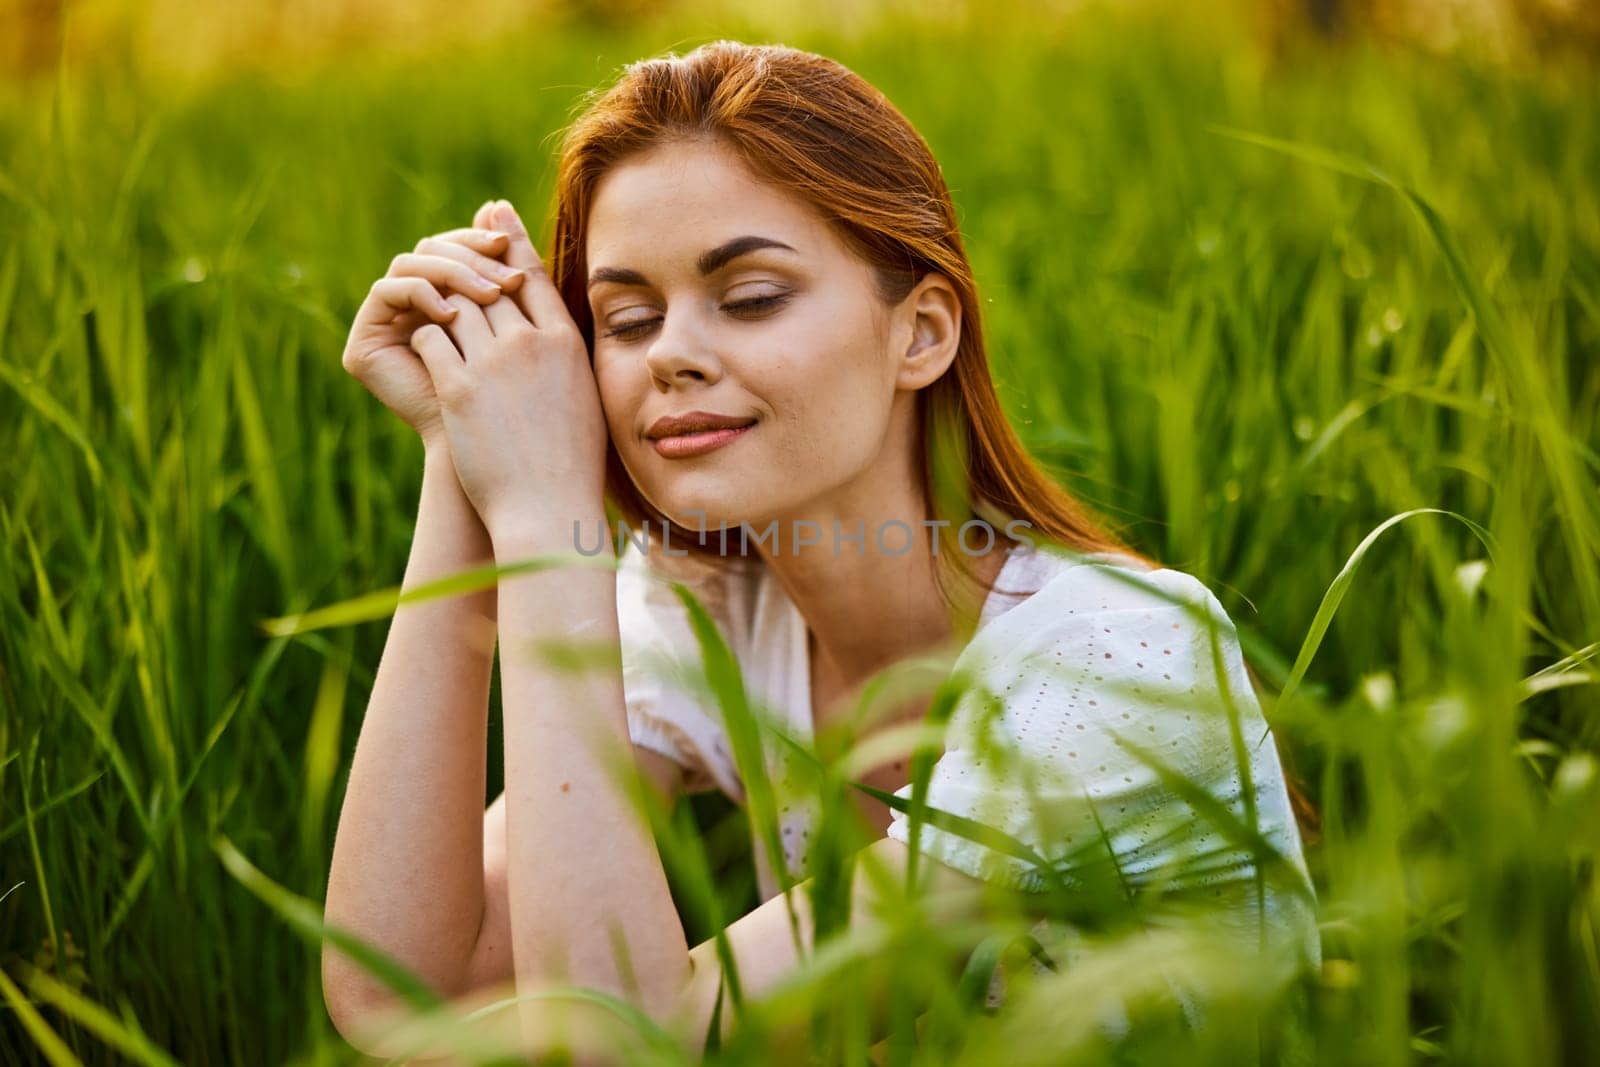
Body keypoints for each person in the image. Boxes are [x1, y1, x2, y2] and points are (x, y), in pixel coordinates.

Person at [321, 39, 1320, 1063]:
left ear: (920, 334)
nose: (672, 353)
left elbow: (627, 1041)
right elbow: (401, 994)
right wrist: (462, 441)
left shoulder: (1105, 658)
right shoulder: (710, 607)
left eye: (750, 297)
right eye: (625, 318)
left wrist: (546, 525)